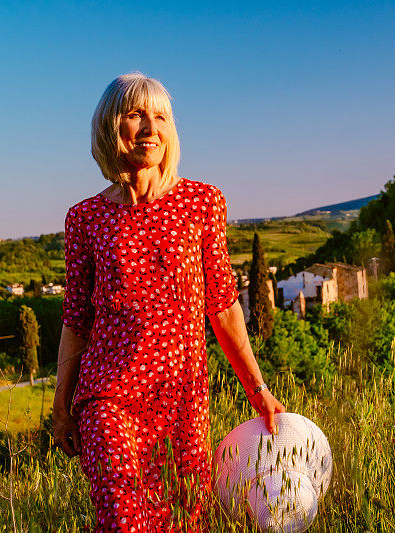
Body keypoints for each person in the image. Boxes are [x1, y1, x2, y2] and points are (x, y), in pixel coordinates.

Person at [52, 72, 285, 532]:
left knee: (180, 521)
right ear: (110, 126)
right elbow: (76, 320)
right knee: (122, 520)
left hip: (182, 402)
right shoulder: (86, 218)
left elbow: (222, 305)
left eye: (160, 116)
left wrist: (257, 390)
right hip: (107, 398)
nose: (149, 128)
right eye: (135, 114)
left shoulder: (202, 202)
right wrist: (62, 404)